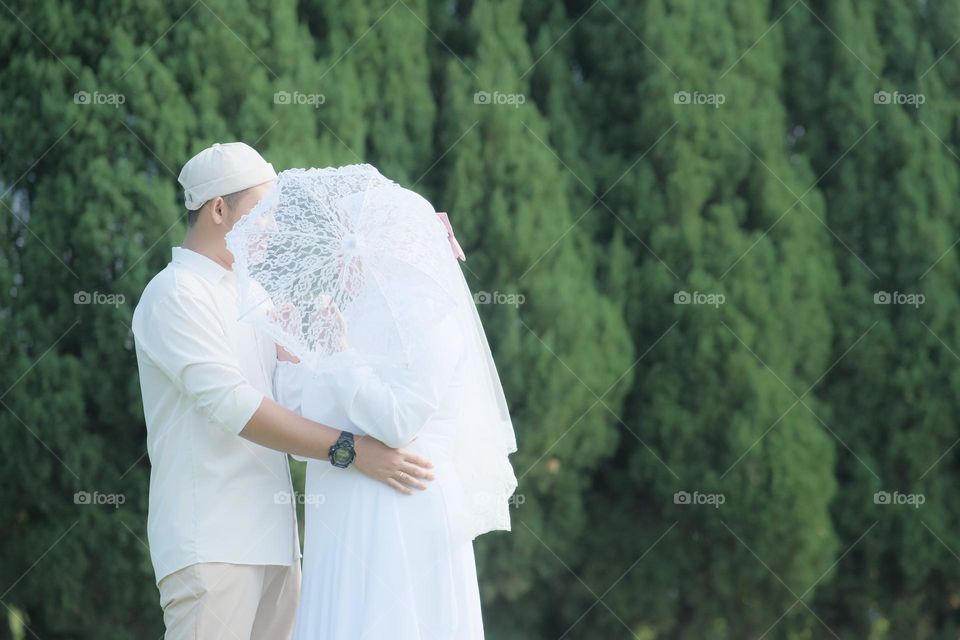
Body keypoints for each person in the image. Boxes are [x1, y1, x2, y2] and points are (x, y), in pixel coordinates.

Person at [131, 142, 435, 640]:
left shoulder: (252, 294)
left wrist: (413, 239)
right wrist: (350, 451)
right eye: (260, 211)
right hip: (213, 544)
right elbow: (238, 408)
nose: (271, 225)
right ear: (219, 209)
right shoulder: (174, 294)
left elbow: (296, 397)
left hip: (277, 547)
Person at [272, 198, 518, 640]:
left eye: (354, 239)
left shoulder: (433, 317)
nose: (343, 251)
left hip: (398, 512)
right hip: (343, 518)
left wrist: (340, 355)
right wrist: (290, 358)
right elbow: (309, 425)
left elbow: (398, 422)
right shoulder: (356, 316)